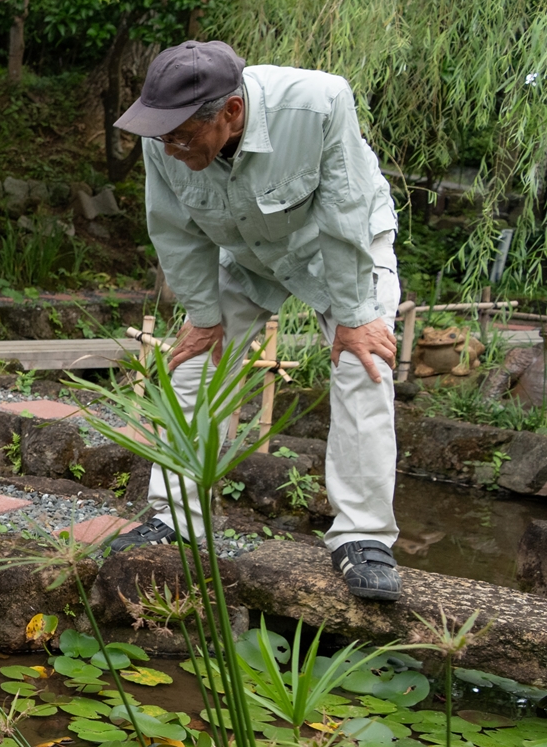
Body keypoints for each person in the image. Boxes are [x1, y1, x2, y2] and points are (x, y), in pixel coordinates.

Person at [110, 40, 402, 602]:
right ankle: (179, 521)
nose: (169, 148)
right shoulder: (163, 137)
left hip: (335, 246)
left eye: (181, 137)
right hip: (244, 251)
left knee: (364, 367)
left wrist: (353, 316)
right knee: (194, 366)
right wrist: (202, 315)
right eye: (161, 136)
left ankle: (362, 539)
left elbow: (344, 209)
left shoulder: (319, 103)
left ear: (231, 113)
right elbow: (173, 228)